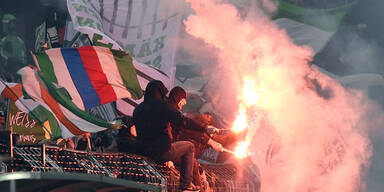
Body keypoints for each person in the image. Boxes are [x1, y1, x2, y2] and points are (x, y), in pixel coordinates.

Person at [133, 80, 216, 192]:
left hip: (143, 152)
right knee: (189, 147)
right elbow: (183, 122)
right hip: (162, 151)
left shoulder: (138, 109)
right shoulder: (162, 106)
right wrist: (205, 128)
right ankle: (186, 185)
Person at [168, 86, 223, 190]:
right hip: (165, 150)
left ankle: (197, 187)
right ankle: (190, 187)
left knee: (194, 162)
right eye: (183, 100)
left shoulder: (170, 110)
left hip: (166, 149)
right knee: (190, 153)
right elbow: (187, 128)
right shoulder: (171, 112)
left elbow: (188, 127)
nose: (184, 103)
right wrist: (210, 139)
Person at [0, 13, 26, 79]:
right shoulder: (3, 40)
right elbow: (2, 55)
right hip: (8, 69)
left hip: (21, 69)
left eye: (14, 23)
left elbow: (24, 56)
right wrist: (8, 60)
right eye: (11, 23)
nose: (13, 25)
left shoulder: (19, 40)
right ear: (6, 24)